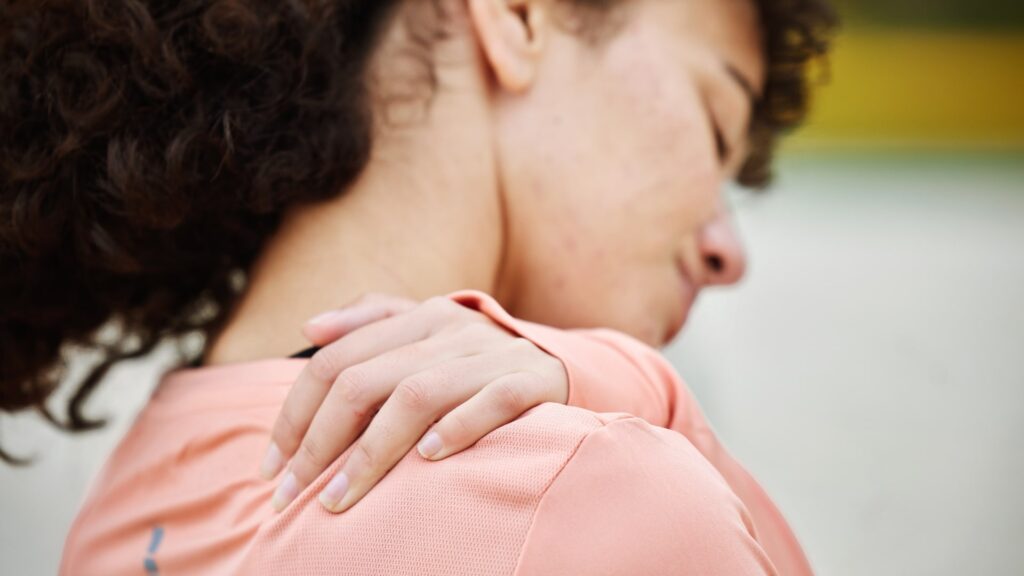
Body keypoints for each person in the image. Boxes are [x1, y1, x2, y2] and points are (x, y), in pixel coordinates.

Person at [1, 0, 836, 573]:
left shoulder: (119, 508)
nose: (728, 251)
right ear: (516, 16)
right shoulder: (600, 489)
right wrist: (666, 409)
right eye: (715, 119)